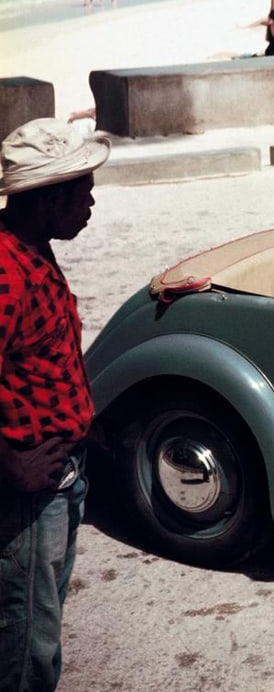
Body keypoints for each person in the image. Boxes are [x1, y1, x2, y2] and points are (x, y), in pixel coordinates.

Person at [0, 117, 110, 691]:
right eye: (82, 189)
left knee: (38, 626)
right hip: (29, 492)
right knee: (26, 644)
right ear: (46, 198)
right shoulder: (4, 267)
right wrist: (9, 461)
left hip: (62, 476)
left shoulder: (32, 249)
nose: (90, 200)